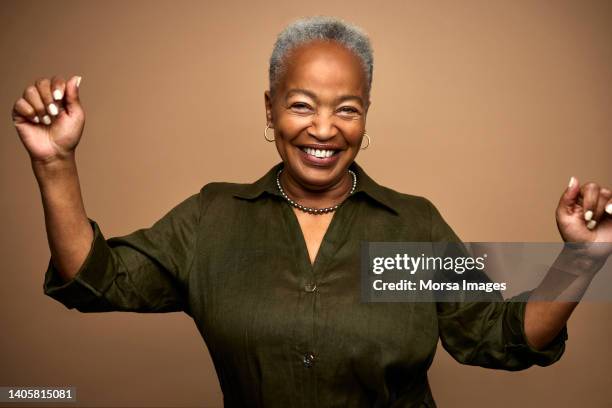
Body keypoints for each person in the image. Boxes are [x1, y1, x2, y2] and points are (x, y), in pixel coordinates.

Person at [11, 16, 612, 407]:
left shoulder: (409, 228)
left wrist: (583, 260)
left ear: (366, 115)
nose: (323, 128)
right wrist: (55, 163)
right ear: (270, 109)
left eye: (347, 108)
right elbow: (95, 280)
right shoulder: (214, 218)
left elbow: (496, 337)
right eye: (301, 104)